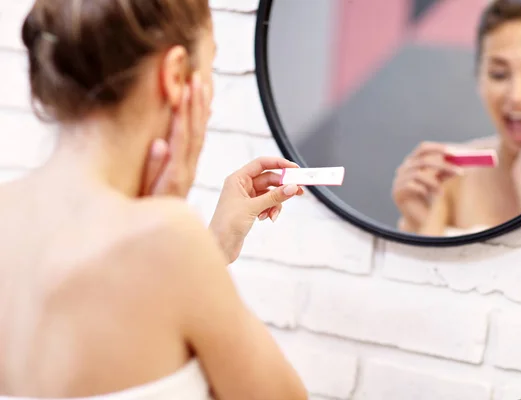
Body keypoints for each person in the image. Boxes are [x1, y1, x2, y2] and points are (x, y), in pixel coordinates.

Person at [0, 1, 308, 399]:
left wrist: (206, 248)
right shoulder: (169, 240)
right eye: (209, 67)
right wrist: (174, 225)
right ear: (176, 75)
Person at [392, 0, 521, 236]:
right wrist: (418, 224)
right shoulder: (453, 176)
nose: (517, 96)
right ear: (479, 77)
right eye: (499, 74)